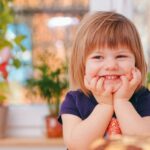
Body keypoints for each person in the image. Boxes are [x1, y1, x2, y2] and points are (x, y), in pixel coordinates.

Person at [58, 11, 150, 150]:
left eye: (121, 56)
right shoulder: (74, 100)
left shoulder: (144, 98)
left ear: (136, 63)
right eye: (98, 57)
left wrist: (122, 102)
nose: (111, 66)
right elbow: (78, 145)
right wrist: (105, 106)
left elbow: (144, 141)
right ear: (82, 66)